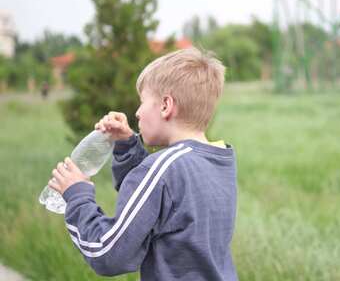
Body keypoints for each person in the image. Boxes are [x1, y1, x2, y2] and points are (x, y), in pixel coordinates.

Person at [48, 48, 238, 280]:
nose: (137, 113)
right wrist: (128, 146)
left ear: (165, 105)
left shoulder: (163, 169)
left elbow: (108, 254)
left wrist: (77, 196)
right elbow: (163, 203)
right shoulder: (219, 160)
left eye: (143, 102)